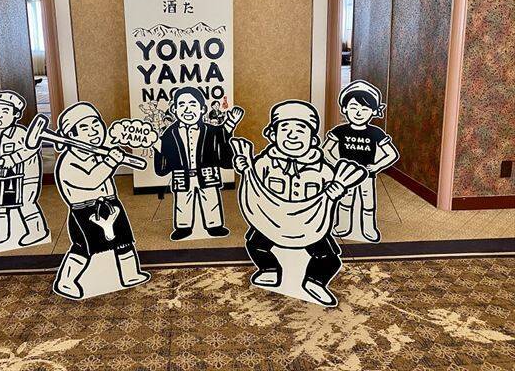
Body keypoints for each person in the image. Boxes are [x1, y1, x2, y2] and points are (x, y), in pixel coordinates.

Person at [233, 100, 345, 306]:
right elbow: (253, 182)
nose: (292, 135)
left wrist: (335, 191)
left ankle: (315, 281)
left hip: (309, 225)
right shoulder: (264, 163)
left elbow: (331, 194)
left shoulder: (323, 170)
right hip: (271, 221)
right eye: (285, 129)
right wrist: (244, 167)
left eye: (301, 130)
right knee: (255, 244)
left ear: (313, 139)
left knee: (330, 258)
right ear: (273, 135)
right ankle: (269, 269)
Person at [53, 102, 150, 300]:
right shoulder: (68, 162)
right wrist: (111, 161)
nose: (93, 131)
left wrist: (113, 151)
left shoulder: (99, 151)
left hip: (111, 204)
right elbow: (91, 180)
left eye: (96, 124)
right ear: (71, 135)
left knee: (124, 242)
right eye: (84, 127)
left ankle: (130, 274)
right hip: (85, 211)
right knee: (84, 247)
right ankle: (66, 281)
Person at [154, 87, 243, 240]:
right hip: (181, 174)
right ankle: (183, 227)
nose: (187, 109)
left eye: (192, 104)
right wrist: (156, 145)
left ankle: (214, 225)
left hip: (207, 172)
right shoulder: (170, 133)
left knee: (210, 198)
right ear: (174, 109)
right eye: (182, 105)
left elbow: (221, 134)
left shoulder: (210, 130)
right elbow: (164, 149)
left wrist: (231, 122)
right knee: (183, 201)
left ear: (202, 109)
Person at [323, 80, 399, 242]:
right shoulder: (340, 131)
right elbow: (326, 150)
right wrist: (337, 163)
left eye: (365, 109)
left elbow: (391, 154)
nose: (358, 112)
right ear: (344, 109)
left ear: (373, 111)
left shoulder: (376, 133)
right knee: (345, 200)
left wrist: (377, 166)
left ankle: (368, 228)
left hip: (367, 175)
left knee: (368, 203)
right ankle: (343, 225)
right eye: (353, 107)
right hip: (345, 175)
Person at [0, 90, 49, 247]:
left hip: (26, 177)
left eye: (5, 111)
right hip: (3, 178)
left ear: (16, 114)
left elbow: (30, 149)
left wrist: (12, 159)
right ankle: (1, 234)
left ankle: (37, 231)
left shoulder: (20, 133)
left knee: (26, 203)